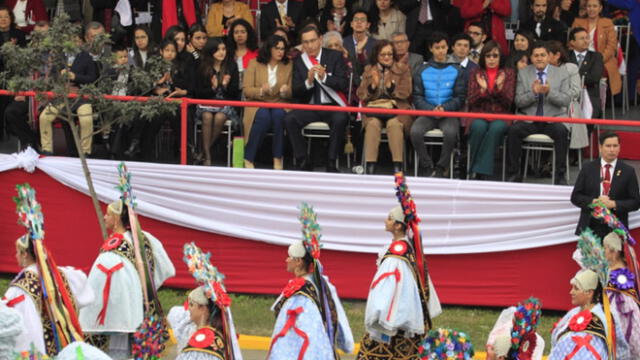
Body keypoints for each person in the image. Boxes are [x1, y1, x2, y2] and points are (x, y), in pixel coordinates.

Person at [357, 175, 441, 359]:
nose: (385, 221)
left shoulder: (397, 252)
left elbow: (390, 287)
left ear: (397, 226)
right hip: (399, 321)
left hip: (392, 322)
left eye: (389, 219)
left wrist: (379, 314)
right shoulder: (406, 248)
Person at [5, 184, 94, 357]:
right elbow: (85, 293)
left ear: (24, 254)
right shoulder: (60, 274)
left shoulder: (21, 287)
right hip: (65, 346)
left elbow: (18, 324)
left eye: (17, 252)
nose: (15, 256)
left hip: (41, 350)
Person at [79, 199, 175, 359]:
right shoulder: (145, 238)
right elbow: (166, 268)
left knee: (120, 352)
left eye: (108, 214)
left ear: (116, 219)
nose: (104, 217)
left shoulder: (115, 246)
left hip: (123, 311)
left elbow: (103, 282)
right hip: (145, 306)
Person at [268, 204, 354, 359]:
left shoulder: (301, 292)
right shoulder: (322, 284)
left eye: (290, 257)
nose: (286, 260)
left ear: (299, 262)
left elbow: (304, 329)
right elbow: (338, 316)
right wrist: (346, 343)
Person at [284, 26, 349, 172]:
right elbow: (296, 91)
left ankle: (331, 162)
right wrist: (308, 82)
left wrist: (325, 77)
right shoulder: (300, 61)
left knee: (340, 119)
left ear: (320, 40)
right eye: (305, 42)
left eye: (312, 41)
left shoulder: (334, 56)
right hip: (311, 107)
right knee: (289, 119)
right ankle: (302, 160)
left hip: (331, 106)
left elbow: (343, 84)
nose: (309, 45)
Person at [507, 42, 571, 185]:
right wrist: (533, 93)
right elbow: (518, 101)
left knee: (561, 132)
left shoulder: (561, 73)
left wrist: (549, 92)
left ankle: (560, 176)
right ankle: (514, 174)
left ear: (549, 57)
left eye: (543, 55)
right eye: (536, 55)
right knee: (513, 131)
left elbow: (566, 100)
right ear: (531, 57)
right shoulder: (523, 73)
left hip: (553, 119)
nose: (539, 58)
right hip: (529, 119)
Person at [167, 243, 242, 360]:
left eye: (191, 304)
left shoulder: (202, 342)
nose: (188, 308)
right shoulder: (218, 334)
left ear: (202, 308)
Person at [38, 22, 102, 157]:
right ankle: (47, 150)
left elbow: (92, 78)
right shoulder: (58, 56)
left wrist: (76, 77)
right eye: (70, 39)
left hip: (82, 97)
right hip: (62, 96)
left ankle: (86, 152)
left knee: (86, 120)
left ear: (81, 41)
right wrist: (62, 85)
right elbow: (52, 76)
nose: (73, 42)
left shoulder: (87, 56)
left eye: (76, 40)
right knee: (44, 117)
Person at [411, 32, 466, 178]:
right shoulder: (421, 70)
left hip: (448, 114)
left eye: (443, 47)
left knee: (451, 133)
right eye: (437, 48)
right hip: (428, 113)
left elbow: (460, 97)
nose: (441, 51)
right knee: (415, 131)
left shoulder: (457, 69)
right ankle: (427, 165)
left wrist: (445, 108)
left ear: (448, 47)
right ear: (431, 49)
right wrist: (431, 109)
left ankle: (442, 168)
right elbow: (417, 97)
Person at [357, 39, 412, 174]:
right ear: (377, 56)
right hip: (375, 110)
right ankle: (370, 166)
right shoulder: (369, 70)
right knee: (373, 125)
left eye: (390, 54)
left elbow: (407, 92)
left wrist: (392, 88)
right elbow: (361, 94)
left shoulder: (403, 69)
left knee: (394, 125)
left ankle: (397, 166)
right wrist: (372, 87)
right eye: (383, 55)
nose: (387, 57)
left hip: (397, 110)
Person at [549, 269, 630, 359]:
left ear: (589, 293)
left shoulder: (605, 316)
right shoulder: (572, 313)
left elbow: (619, 347)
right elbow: (556, 340)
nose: (571, 292)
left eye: (576, 288)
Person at [571, 132, 640, 237]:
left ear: (619, 147)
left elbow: (635, 202)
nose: (612, 149)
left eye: (615, 146)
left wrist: (613, 204)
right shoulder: (588, 168)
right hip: (590, 226)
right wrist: (594, 202)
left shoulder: (628, 171)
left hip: (616, 229)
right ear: (600, 147)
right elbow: (575, 197)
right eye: (608, 146)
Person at [467, 41, 516, 180]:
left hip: (501, 115)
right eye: (488, 56)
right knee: (478, 127)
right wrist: (482, 90)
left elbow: (508, 102)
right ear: (483, 57)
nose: (492, 59)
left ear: (501, 58)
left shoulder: (509, 73)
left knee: (496, 128)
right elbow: (471, 100)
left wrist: (499, 88)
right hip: (479, 113)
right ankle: (480, 170)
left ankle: (477, 170)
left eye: (495, 56)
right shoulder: (475, 73)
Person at [242, 34, 292, 170]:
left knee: (278, 116)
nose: (280, 52)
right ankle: (249, 157)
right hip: (257, 102)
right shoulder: (254, 63)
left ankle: (277, 158)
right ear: (269, 48)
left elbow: (292, 92)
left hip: (280, 102)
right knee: (263, 117)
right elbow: (246, 90)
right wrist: (260, 91)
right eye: (277, 48)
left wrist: (286, 91)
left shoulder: (288, 64)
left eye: (282, 49)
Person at [194, 37, 241, 166]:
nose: (222, 52)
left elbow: (235, 92)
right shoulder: (202, 66)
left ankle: (203, 153)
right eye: (218, 50)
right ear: (210, 51)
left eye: (223, 49)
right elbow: (198, 93)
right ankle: (207, 156)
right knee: (207, 116)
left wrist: (225, 86)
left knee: (220, 117)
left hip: (225, 104)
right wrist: (213, 88)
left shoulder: (231, 66)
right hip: (206, 103)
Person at [571, 0, 622, 96]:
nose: (591, 9)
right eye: (589, 6)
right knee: (574, 69)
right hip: (580, 58)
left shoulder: (608, 23)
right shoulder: (578, 22)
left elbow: (612, 46)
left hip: (603, 60)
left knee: (595, 70)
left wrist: (599, 59)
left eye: (595, 6)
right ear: (586, 8)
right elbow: (572, 43)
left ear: (600, 8)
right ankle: (578, 98)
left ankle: (594, 101)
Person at [602, 232, 640, 359]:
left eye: (605, 248)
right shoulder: (611, 268)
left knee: (623, 330)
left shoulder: (618, 272)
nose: (604, 251)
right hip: (613, 304)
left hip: (621, 308)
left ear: (614, 251)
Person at [568, 26, 604, 119]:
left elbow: (594, 78)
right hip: (568, 94)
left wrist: (573, 78)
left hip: (589, 94)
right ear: (572, 42)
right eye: (581, 38)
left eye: (587, 38)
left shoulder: (596, 56)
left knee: (590, 114)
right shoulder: (566, 56)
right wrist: (583, 76)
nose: (586, 41)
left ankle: (587, 133)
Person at [343, 9, 377, 83]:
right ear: (351, 24)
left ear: (368, 25)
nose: (359, 22)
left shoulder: (375, 44)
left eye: (362, 20)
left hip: (369, 82)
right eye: (356, 20)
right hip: (348, 83)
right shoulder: (343, 43)